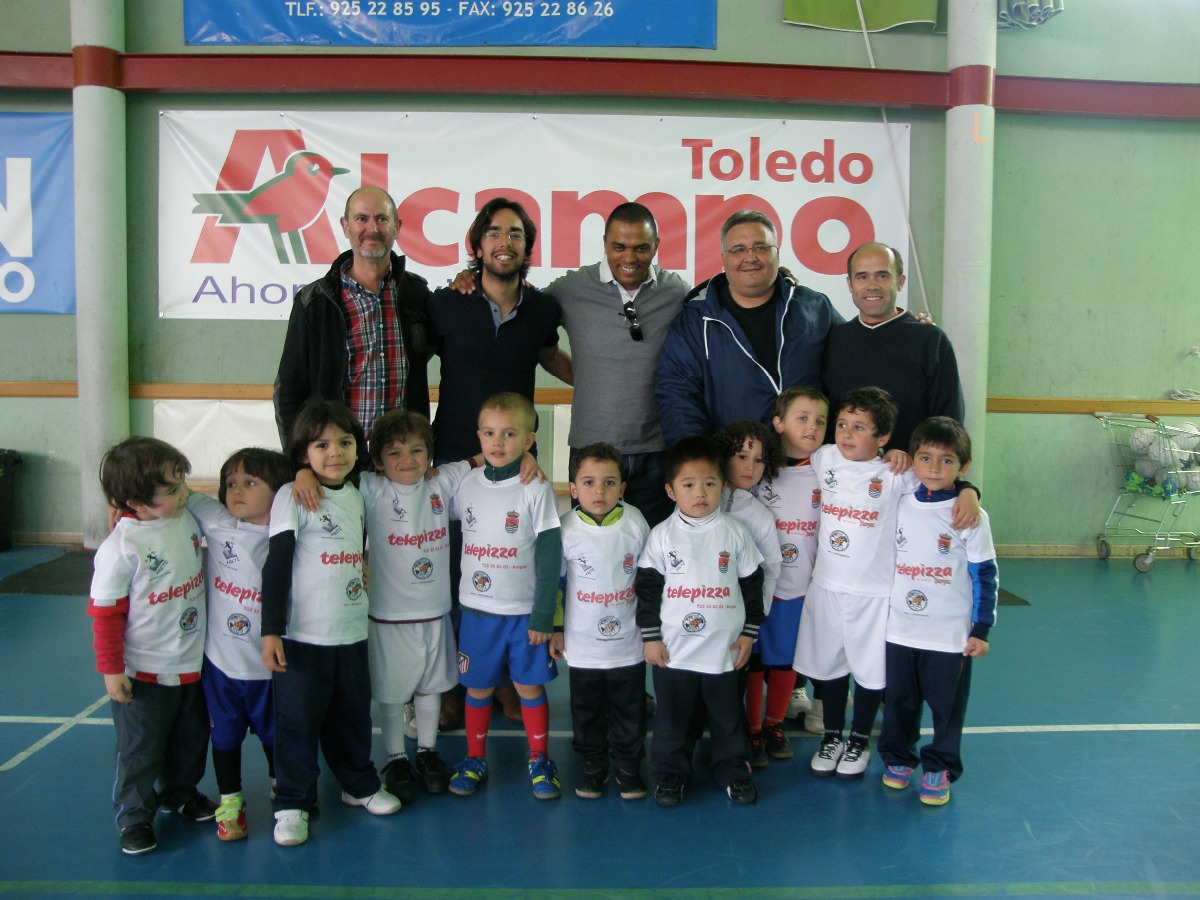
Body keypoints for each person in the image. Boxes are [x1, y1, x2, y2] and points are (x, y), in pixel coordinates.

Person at [261, 401, 401, 847]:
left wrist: (359, 566)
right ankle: (293, 802)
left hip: (351, 631)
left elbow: (354, 546)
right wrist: (271, 630)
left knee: (352, 716)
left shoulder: (357, 494)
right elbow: (277, 565)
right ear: (304, 452)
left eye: (344, 442)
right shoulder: (292, 495)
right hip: (304, 636)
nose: (335, 452)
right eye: (321, 445)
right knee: (298, 723)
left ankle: (357, 784)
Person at [88, 437, 216, 856]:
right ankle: (134, 816)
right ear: (134, 503)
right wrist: (111, 669)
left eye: (182, 482)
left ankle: (180, 792)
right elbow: (105, 615)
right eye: (171, 489)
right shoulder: (121, 547)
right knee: (141, 748)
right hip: (143, 671)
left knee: (190, 737)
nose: (184, 493)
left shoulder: (184, 516)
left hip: (191, 661)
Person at [635, 436, 765, 807]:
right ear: (671, 491)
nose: (700, 493)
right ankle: (671, 773)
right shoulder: (661, 536)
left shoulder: (735, 533)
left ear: (722, 486)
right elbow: (647, 589)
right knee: (672, 720)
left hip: (726, 652)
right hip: (674, 652)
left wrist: (748, 634)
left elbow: (752, 585)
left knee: (727, 719)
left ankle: (733, 771)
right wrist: (651, 637)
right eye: (689, 485)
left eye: (710, 483)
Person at [446, 393, 564, 801]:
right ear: (478, 436)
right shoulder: (465, 485)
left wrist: (543, 616)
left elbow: (551, 556)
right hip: (478, 613)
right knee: (477, 689)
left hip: (523, 615)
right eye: (490, 433)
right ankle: (474, 757)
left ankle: (538, 758)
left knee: (528, 688)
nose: (498, 442)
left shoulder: (536, 488)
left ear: (529, 439)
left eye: (510, 434)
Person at [546, 203, 691, 526]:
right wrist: (585, 378)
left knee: (652, 551)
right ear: (605, 244)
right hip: (591, 448)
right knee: (592, 550)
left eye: (641, 247)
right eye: (619, 247)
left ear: (656, 245)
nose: (629, 258)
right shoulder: (570, 289)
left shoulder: (676, 290)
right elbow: (525, 313)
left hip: (656, 449)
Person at [879, 416, 998, 806]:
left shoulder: (969, 516)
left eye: (946, 461)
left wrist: (980, 630)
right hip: (900, 629)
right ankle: (898, 758)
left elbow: (985, 574)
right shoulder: (901, 500)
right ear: (913, 460)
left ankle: (940, 767)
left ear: (962, 469)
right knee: (899, 702)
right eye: (925, 458)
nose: (933, 468)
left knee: (946, 708)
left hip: (949, 636)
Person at [355, 411, 471, 802]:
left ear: (430, 455)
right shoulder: (371, 489)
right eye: (394, 452)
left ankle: (426, 751)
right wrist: (303, 473)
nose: (408, 459)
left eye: (417, 450)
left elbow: (482, 458)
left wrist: (524, 458)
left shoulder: (442, 483)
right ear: (377, 462)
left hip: (435, 611)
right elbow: (330, 474)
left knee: (429, 689)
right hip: (387, 615)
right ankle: (393, 758)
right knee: (390, 693)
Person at [655, 210, 842, 447]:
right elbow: (677, 397)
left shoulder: (815, 308)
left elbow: (849, 374)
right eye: (738, 249)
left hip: (810, 466)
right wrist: (701, 462)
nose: (750, 257)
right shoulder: (695, 322)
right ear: (723, 257)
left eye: (761, 247)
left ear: (777, 254)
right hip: (735, 467)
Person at [186, 447, 293, 842]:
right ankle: (230, 800)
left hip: (268, 666)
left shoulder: (290, 533)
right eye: (231, 483)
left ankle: (282, 785)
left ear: (279, 491)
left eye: (250, 483)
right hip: (222, 666)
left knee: (273, 736)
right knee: (225, 737)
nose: (237, 491)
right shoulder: (216, 522)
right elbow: (169, 491)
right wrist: (125, 509)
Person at [273, 185, 432, 449]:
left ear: (397, 227)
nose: (372, 228)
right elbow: (289, 390)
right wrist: (298, 462)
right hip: (339, 459)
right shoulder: (315, 301)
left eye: (382, 219)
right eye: (361, 219)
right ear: (346, 227)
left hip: (401, 458)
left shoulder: (416, 294)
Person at [427, 197, 572, 465]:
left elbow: (551, 357)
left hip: (517, 458)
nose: (505, 242)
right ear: (478, 248)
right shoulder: (446, 304)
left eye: (515, 234)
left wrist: (603, 386)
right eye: (494, 233)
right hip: (453, 457)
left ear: (526, 247)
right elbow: (413, 362)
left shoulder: (542, 309)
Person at [551, 442, 652, 800]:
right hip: (583, 646)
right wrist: (558, 627)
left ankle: (628, 764)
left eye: (610, 482)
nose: (599, 491)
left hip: (629, 643)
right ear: (573, 488)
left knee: (630, 709)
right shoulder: (565, 529)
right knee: (587, 711)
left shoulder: (636, 522)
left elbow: (651, 579)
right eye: (589, 482)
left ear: (623, 488)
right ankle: (593, 765)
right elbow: (558, 583)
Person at [822, 242, 964, 453]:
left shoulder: (930, 340)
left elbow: (947, 421)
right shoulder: (833, 339)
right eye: (862, 276)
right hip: (845, 478)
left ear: (900, 282)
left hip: (910, 476)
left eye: (882, 275)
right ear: (850, 284)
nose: (872, 285)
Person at [712, 420, 785, 767]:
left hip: (737, 620)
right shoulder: (699, 498)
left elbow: (770, 570)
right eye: (742, 456)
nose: (749, 467)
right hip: (697, 618)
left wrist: (754, 622)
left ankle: (734, 748)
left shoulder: (758, 516)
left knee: (731, 686)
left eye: (758, 461)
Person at [758, 387, 830, 735]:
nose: (812, 427)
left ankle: (813, 704)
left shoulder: (829, 470)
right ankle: (756, 723)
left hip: (809, 586)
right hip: (762, 587)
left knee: (800, 651)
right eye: (802, 418)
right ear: (778, 422)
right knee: (759, 657)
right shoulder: (756, 470)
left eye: (820, 420)